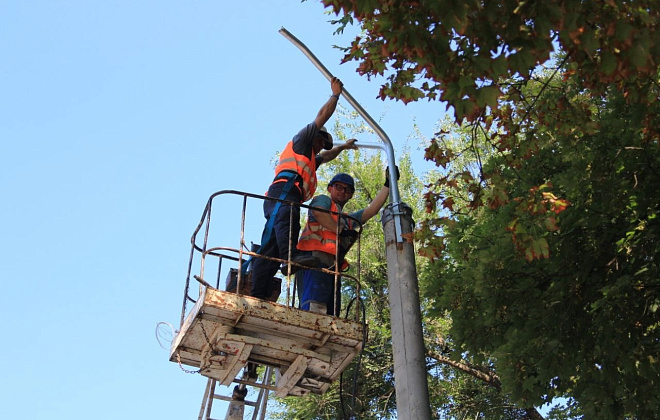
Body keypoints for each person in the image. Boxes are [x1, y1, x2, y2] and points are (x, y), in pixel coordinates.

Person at [249, 77, 358, 300]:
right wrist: (335, 95)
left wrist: (344, 147)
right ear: (314, 137)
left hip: (287, 196)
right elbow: (322, 116)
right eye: (320, 141)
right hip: (284, 192)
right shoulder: (301, 141)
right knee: (287, 221)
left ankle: (258, 294)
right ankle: (291, 257)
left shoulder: (309, 158)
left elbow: (327, 156)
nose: (320, 146)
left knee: (271, 248)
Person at [296, 168, 397, 316]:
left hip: (332, 265)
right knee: (314, 303)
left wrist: (388, 184)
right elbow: (318, 213)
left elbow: (371, 211)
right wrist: (340, 230)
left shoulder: (345, 219)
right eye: (339, 187)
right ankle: (309, 326)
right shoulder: (324, 200)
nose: (343, 192)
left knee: (330, 310)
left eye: (348, 190)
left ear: (350, 196)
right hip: (313, 260)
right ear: (330, 188)